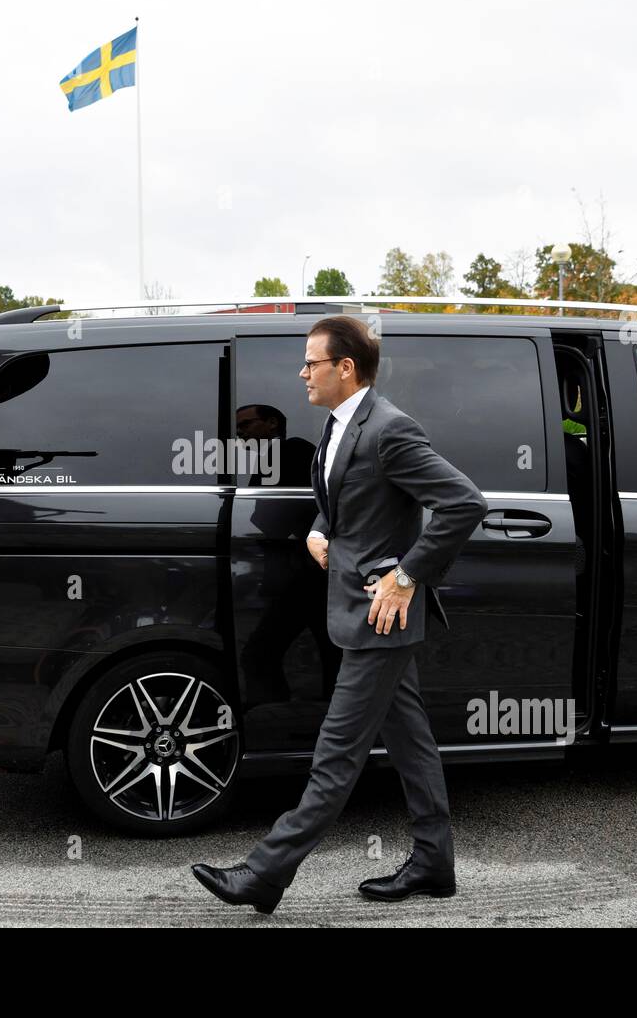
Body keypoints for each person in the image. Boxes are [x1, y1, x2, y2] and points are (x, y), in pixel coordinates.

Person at [190, 315, 488, 913]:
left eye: (311, 362)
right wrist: (321, 529)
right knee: (411, 743)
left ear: (344, 368)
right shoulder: (337, 427)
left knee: (336, 752)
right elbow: (345, 501)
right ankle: (434, 862)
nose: (302, 372)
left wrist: (406, 576)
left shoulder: (390, 430)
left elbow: (463, 502)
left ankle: (265, 873)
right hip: (357, 607)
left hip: (380, 616)